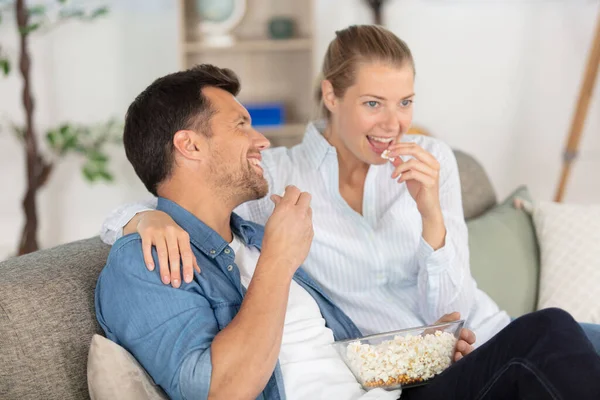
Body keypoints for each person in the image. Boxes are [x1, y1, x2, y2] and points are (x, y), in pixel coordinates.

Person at [96, 63, 600, 400]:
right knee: (551, 338)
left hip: (391, 393)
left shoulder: (248, 234)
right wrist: (278, 260)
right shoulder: (143, 264)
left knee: (546, 332)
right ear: (190, 146)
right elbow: (220, 391)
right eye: (241, 124)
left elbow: (330, 361)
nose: (261, 138)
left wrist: (423, 353)